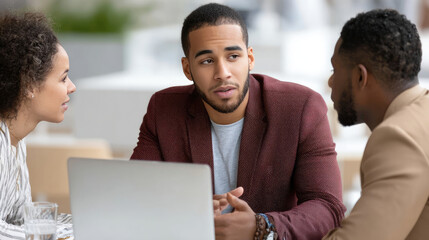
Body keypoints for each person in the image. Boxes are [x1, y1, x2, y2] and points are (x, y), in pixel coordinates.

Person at [131, 3, 345, 240]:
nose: (223, 72)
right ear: (187, 69)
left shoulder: (300, 107)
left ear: (250, 58)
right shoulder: (163, 110)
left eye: (233, 56)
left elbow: (328, 208)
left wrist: (262, 227)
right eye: (206, 61)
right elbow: (139, 198)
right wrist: (189, 213)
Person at [324, 9, 429, 240]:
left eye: (335, 70)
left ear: (360, 77)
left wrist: (266, 230)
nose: (331, 81)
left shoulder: (399, 136)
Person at [0, 12, 76, 239]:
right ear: (29, 84)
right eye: (63, 78)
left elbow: (18, 221)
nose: (71, 87)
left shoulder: (16, 142)